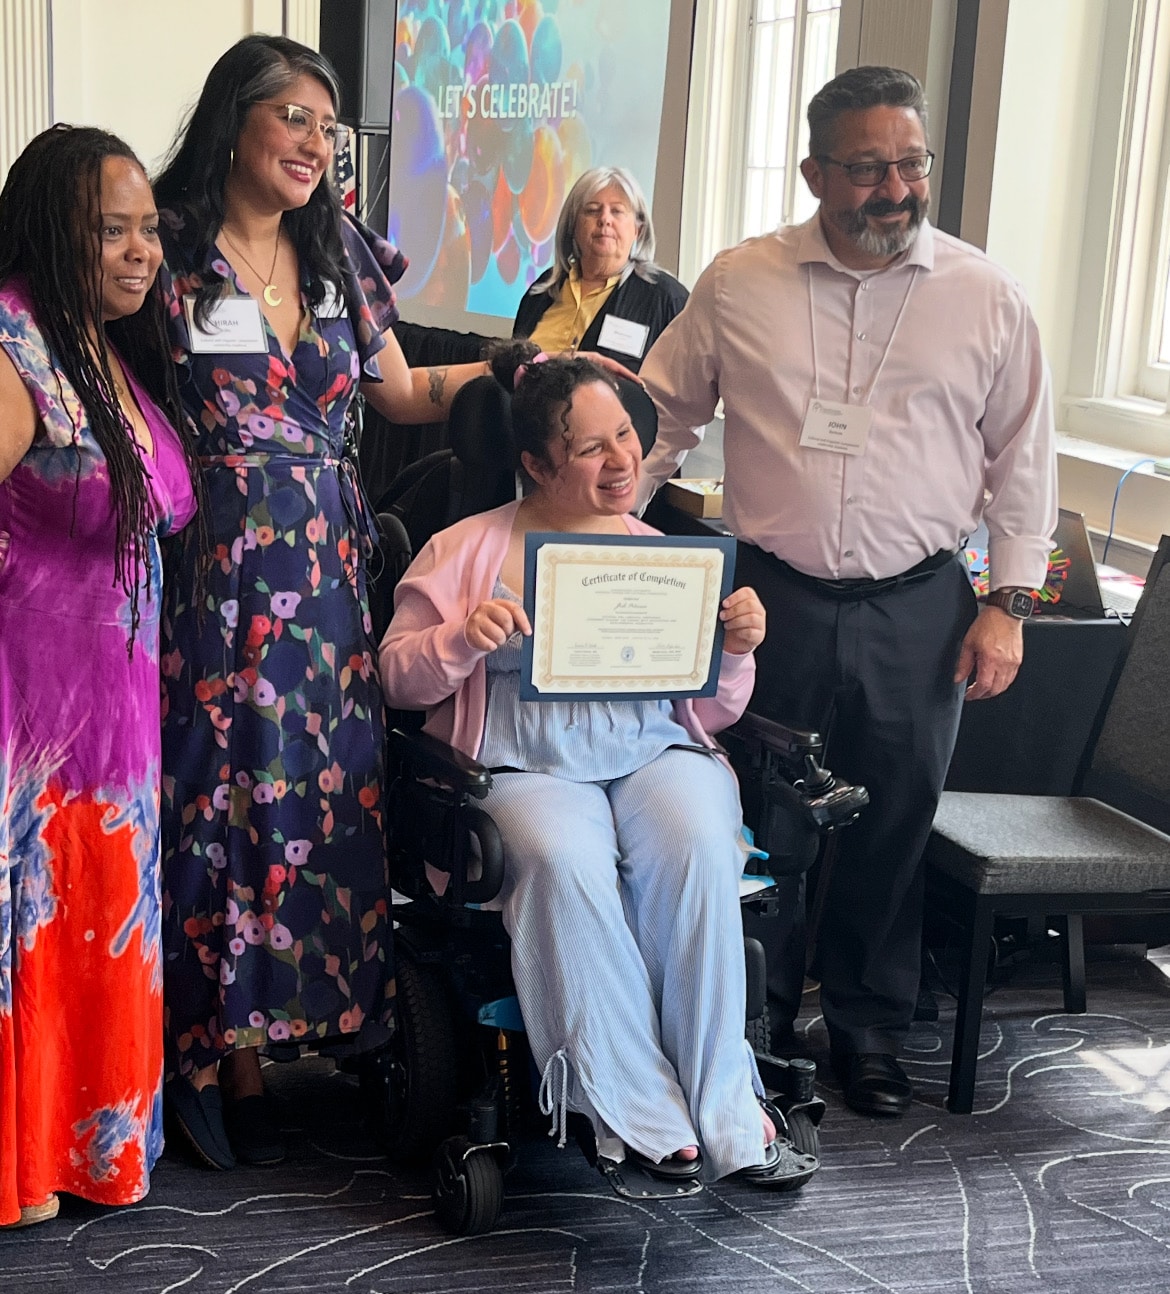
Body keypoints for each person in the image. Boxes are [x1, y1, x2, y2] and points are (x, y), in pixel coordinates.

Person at [638, 65, 1057, 1119]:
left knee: (894, 819)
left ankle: (869, 1027)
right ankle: (755, 1021)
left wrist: (1009, 603)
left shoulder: (987, 295)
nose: (896, 188)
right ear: (815, 171)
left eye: (912, 164)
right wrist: (592, 533)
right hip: (770, 598)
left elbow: (1025, 460)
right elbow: (661, 416)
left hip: (922, 607)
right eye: (868, 168)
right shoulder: (741, 282)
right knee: (758, 813)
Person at [152, 35, 524, 1173]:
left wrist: (513, 369)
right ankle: (212, 1053)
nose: (318, 143)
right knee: (220, 794)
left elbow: (400, 391)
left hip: (322, 570)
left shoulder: (337, 252)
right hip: (214, 562)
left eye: (328, 125)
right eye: (295, 118)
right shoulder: (165, 249)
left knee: (320, 792)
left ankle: (296, 1029)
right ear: (235, 122)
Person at [379, 349, 795, 1186]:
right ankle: (632, 1107)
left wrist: (736, 651)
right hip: (525, 763)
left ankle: (725, 1099)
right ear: (536, 463)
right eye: (591, 448)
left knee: (697, 845)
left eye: (626, 438)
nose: (621, 461)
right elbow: (395, 678)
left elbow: (712, 711)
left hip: (650, 752)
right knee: (562, 859)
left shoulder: (663, 555)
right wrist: (459, 639)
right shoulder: (462, 549)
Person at [0, 126, 198, 1228]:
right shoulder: (13, 341)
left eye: (147, 230)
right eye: (110, 230)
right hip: (29, 711)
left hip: (114, 712)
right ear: (49, 232)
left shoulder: (98, 345)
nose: (140, 252)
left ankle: (85, 1150)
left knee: (98, 920)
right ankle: (23, 1160)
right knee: (40, 924)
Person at [512, 167, 689, 374]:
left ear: (638, 230)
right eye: (592, 210)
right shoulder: (543, 289)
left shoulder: (667, 298)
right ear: (573, 226)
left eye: (617, 211)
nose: (605, 219)